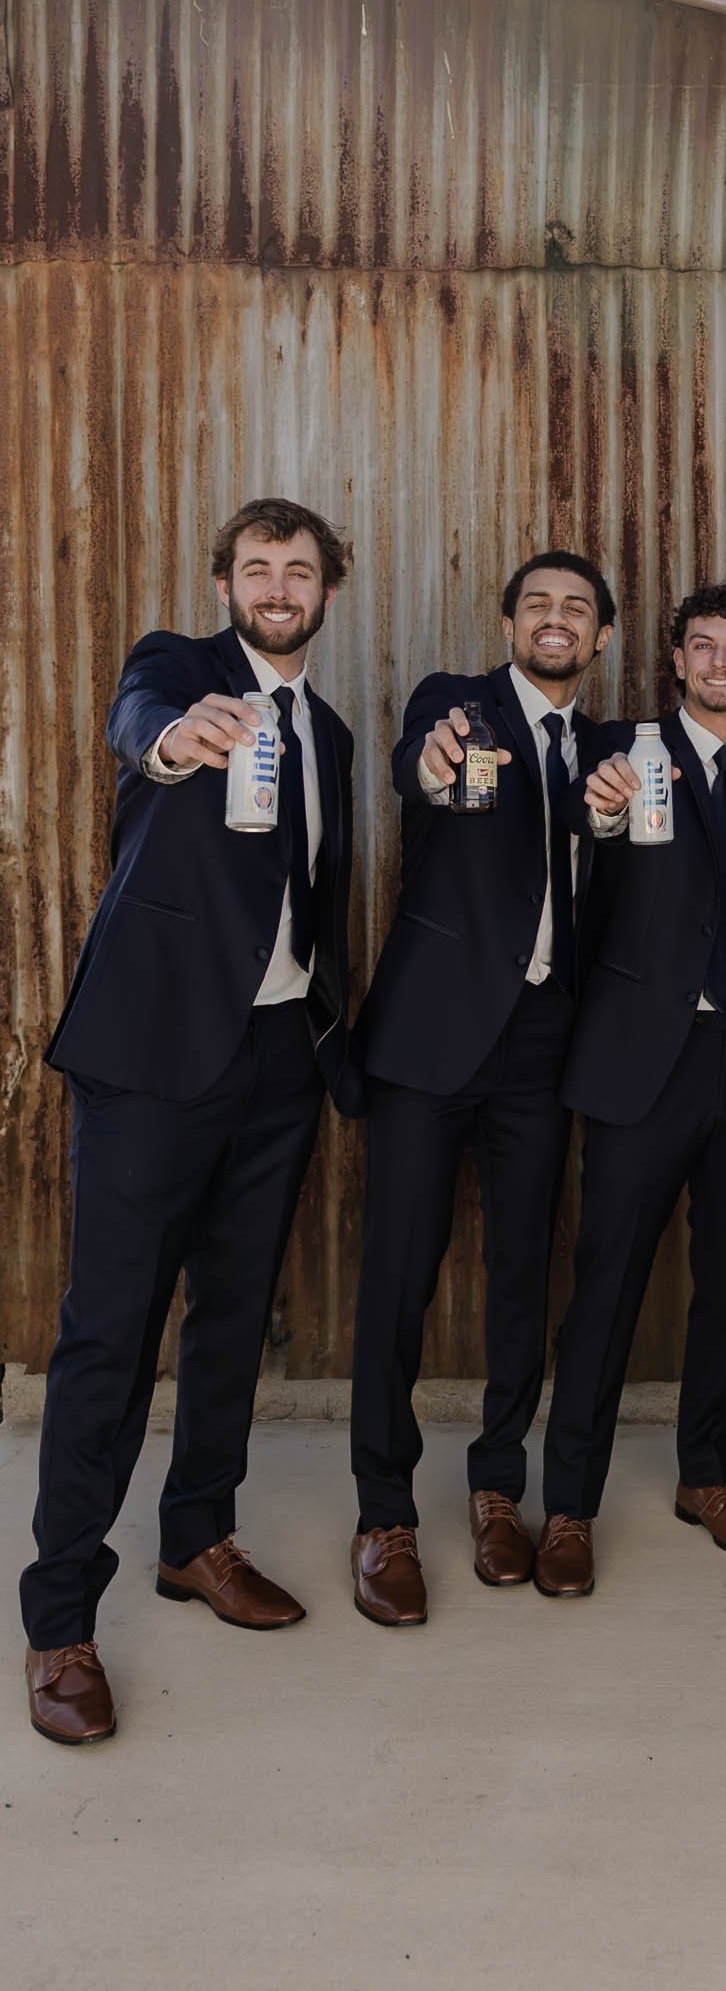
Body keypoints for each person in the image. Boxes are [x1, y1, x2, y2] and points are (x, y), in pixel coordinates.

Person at [23, 499, 356, 1746]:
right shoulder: (178, 669)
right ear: (225, 584)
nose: (277, 586)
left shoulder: (326, 730)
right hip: (154, 1059)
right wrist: (175, 738)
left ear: (328, 593)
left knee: (232, 1317)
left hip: (276, 1060)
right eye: (256, 567)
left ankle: (196, 1538)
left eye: (298, 570)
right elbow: (140, 726)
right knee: (109, 1335)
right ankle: (61, 1619)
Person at [532, 585, 726, 1594]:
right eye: (701, 645)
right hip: (640, 1059)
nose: (718, 662)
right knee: (605, 1286)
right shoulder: (618, 753)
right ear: (674, 659)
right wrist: (600, 808)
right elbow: (578, 817)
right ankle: (567, 1506)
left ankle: (705, 1475)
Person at [347, 552, 617, 1625]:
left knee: (520, 1275)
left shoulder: (611, 748)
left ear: (600, 638)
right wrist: (435, 756)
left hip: (544, 1046)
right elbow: (420, 759)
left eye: (577, 609)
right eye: (537, 604)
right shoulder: (454, 705)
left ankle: (497, 1486)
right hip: (430, 1041)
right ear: (508, 624)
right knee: (397, 1280)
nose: (555, 619)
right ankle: (383, 1514)